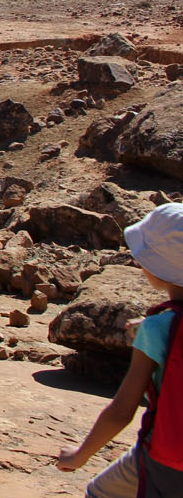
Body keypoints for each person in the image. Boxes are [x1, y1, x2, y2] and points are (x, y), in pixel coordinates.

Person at [57, 203, 183, 497]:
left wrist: (80, 455)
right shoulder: (159, 325)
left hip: (168, 460)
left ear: (158, 266)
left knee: (100, 493)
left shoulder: (159, 329)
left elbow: (122, 410)